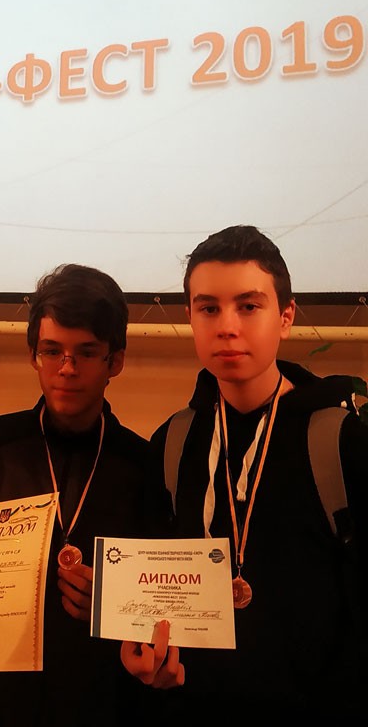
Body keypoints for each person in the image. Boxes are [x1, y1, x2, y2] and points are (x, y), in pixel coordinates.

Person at [124, 225, 368, 719]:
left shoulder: (342, 439)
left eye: (249, 306)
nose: (227, 326)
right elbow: (153, 592)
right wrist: (150, 658)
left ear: (286, 317)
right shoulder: (173, 443)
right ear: (190, 317)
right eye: (208, 308)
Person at [0, 263, 183, 727]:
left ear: (115, 361)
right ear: (33, 355)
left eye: (86, 353)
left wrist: (113, 602)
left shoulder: (143, 462)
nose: (67, 369)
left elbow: (162, 593)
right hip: (1, 695)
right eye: (52, 351)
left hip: (101, 693)